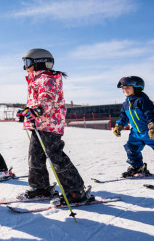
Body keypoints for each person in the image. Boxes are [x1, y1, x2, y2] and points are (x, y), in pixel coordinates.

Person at [16, 48, 91, 204]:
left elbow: (47, 99)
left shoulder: (48, 79)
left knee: (56, 157)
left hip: (50, 125)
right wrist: (27, 113)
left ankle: (75, 190)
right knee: (35, 158)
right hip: (39, 124)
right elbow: (35, 102)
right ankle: (40, 187)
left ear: (39, 63)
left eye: (27, 63)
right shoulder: (36, 79)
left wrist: (36, 110)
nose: (25, 67)